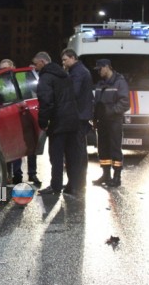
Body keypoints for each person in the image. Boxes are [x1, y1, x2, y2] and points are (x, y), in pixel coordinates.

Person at [33, 51, 80, 195]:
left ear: (43, 62)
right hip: (72, 120)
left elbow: (46, 102)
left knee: (56, 156)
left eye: (36, 64)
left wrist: (43, 122)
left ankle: (55, 186)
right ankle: (73, 185)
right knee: (71, 155)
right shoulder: (64, 74)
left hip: (58, 122)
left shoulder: (46, 77)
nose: (35, 67)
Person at [0, 58, 41, 186]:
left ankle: (32, 174)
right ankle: (14, 175)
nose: (4, 71)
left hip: (25, 115)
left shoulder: (22, 76)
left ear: (13, 67)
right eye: (1, 69)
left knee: (31, 146)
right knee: (12, 147)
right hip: (9, 117)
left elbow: (35, 91)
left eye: (6, 68)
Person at [92, 59, 129, 188]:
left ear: (107, 67)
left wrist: (111, 111)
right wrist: (95, 118)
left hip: (114, 121)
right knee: (102, 149)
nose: (98, 72)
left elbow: (125, 102)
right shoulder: (100, 84)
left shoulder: (120, 82)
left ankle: (117, 177)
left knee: (115, 149)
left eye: (100, 69)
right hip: (102, 122)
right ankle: (106, 175)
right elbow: (96, 103)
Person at [61, 48, 94, 194]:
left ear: (73, 58)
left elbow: (73, 92)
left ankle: (76, 184)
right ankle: (79, 182)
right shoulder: (79, 70)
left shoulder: (77, 72)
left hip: (78, 116)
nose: (63, 62)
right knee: (80, 150)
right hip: (81, 116)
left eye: (65, 59)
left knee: (76, 151)